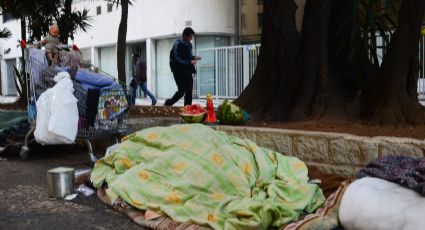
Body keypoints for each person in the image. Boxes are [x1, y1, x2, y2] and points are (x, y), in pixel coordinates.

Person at [165, 27, 201, 106]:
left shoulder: (189, 45)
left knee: (189, 91)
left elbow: (188, 57)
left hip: (187, 71)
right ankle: (168, 104)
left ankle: (187, 109)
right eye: (190, 37)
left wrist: (194, 57)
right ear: (185, 36)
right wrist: (189, 61)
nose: (191, 39)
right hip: (178, 72)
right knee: (181, 91)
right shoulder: (178, 44)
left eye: (191, 37)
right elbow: (176, 58)